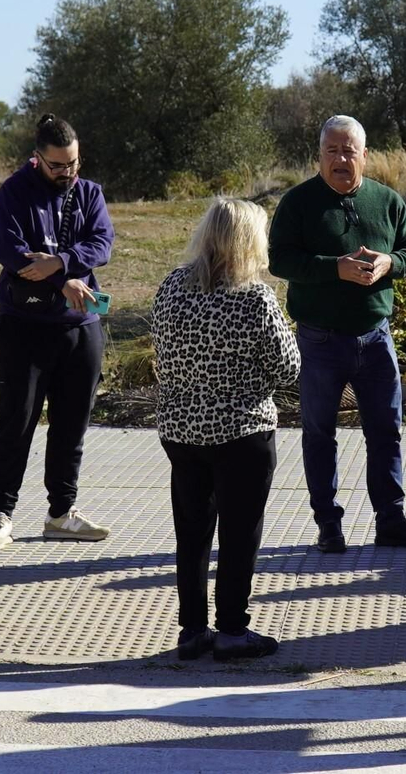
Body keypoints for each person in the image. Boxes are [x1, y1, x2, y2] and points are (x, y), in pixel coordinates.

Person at [267, 114, 406, 553]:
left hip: (376, 337)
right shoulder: (298, 203)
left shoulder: (387, 201)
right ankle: (328, 524)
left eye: (349, 151)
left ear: (365, 156)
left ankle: (391, 521)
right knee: (319, 434)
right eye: (332, 151)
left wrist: (389, 263)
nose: (341, 159)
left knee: (387, 431)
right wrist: (336, 269)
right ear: (318, 156)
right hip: (320, 340)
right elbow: (281, 262)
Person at [151, 198, 301, 661]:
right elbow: (289, 366)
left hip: (181, 431)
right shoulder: (255, 297)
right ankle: (233, 628)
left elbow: (162, 348)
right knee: (239, 533)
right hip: (242, 432)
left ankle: (192, 629)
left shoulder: (172, 285)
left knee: (191, 533)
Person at [0, 114, 113, 550]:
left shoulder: (89, 192)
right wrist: (63, 279)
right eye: (57, 166)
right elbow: (12, 253)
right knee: (16, 421)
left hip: (80, 328)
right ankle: (0, 514)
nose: (66, 173)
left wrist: (58, 263)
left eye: (72, 164)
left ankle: (61, 513)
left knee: (71, 424)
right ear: (37, 159)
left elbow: (102, 243)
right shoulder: (14, 193)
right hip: (25, 326)